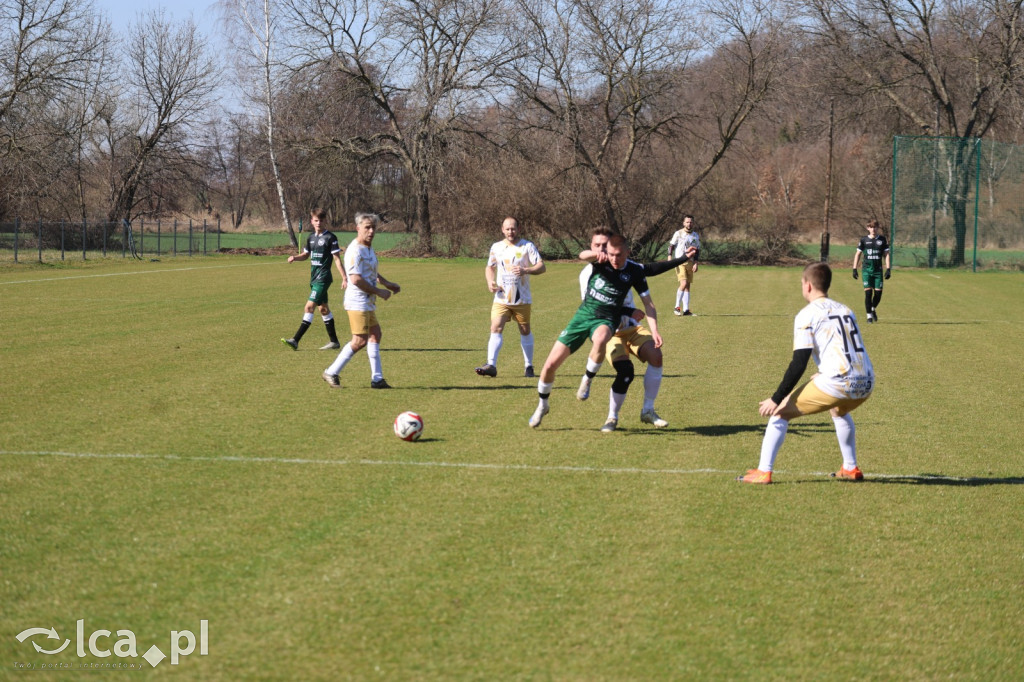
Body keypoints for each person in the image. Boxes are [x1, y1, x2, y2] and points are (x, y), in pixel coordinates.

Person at [738, 262, 875, 484]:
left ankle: (763, 472)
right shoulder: (845, 309)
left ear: (808, 286)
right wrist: (823, 374)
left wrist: (776, 398)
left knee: (780, 413)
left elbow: (798, 363)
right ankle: (850, 468)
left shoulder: (807, 314)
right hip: (866, 381)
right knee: (838, 410)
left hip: (839, 382)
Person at [529, 233, 659, 429]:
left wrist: (655, 330)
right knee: (549, 366)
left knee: (601, 339)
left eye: (620, 255)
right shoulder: (600, 262)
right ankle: (542, 405)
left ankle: (587, 379)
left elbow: (649, 304)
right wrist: (596, 254)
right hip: (582, 317)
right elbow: (581, 255)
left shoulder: (634, 271)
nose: (615, 259)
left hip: (607, 318)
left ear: (628, 252)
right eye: (612, 254)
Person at [578, 228, 696, 432]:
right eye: (597, 247)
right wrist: (628, 310)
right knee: (626, 372)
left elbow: (650, 270)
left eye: (606, 247)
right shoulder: (589, 273)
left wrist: (655, 330)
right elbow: (594, 308)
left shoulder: (626, 267)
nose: (604, 252)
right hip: (609, 331)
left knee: (656, 356)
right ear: (592, 248)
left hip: (631, 329)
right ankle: (612, 418)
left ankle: (648, 411)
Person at [322, 213, 401, 389]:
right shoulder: (355, 250)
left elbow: (370, 271)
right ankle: (331, 372)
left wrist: (387, 284)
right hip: (357, 301)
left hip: (367, 302)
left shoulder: (368, 248)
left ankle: (377, 379)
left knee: (375, 335)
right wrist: (380, 292)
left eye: (373, 227)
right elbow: (356, 279)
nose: (371, 231)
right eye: (367, 227)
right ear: (358, 228)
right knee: (359, 341)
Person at [475, 217, 546, 378]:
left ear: (518, 229)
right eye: (507, 229)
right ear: (502, 229)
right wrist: (490, 281)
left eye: (513, 228)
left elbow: (542, 267)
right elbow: (490, 266)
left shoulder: (527, 246)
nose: (510, 232)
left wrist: (526, 270)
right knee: (495, 327)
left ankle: (529, 366)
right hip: (501, 297)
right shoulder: (497, 247)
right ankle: (491, 364)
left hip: (521, 298)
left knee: (524, 329)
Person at [281, 208, 347, 350]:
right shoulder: (311, 238)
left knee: (309, 307)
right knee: (323, 309)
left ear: (325, 221)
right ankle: (334, 342)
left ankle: (295, 340)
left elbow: (336, 259)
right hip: (314, 278)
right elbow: (305, 255)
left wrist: (344, 277)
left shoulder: (330, 238)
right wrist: (295, 257)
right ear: (312, 221)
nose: (318, 223)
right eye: (316, 220)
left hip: (323, 279)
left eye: (321, 220)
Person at [851, 219, 891, 323]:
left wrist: (888, 268)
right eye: (871, 227)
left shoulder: (882, 240)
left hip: (878, 271)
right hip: (866, 270)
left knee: (878, 294)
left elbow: (886, 254)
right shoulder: (864, 240)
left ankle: (872, 309)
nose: (873, 229)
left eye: (875, 227)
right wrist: (854, 269)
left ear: (878, 228)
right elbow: (858, 254)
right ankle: (869, 316)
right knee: (868, 294)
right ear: (868, 228)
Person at [667, 214, 701, 316]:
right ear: (683, 223)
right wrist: (669, 257)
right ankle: (677, 307)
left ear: (693, 223)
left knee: (688, 286)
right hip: (679, 262)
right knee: (683, 283)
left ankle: (686, 310)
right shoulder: (678, 233)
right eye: (687, 222)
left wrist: (695, 263)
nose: (689, 224)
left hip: (690, 262)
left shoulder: (695, 235)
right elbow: (671, 245)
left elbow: (697, 250)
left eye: (690, 222)